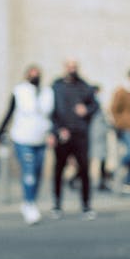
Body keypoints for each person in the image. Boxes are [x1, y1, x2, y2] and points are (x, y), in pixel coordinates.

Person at [0, 64, 54, 225]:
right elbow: (9, 112)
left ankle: (31, 200)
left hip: (40, 139)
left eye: (37, 74)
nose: (35, 76)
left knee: (37, 173)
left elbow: (52, 116)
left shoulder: (47, 92)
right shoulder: (19, 91)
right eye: (32, 73)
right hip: (23, 139)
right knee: (29, 173)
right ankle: (29, 204)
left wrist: (53, 133)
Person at [50, 59, 98, 220]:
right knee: (59, 170)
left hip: (80, 135)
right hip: (62, 135)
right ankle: (56, 205)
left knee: (84, 170)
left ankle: (86, 205)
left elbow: (95, 106)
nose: (72, 70)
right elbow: (51, 111)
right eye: (69, 67)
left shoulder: (85, 86)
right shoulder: (56, 87)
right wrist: (57, 130)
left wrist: (87, 110)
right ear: (64, 68)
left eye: (74, 67)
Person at [71, 85, 111, 193]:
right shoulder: (90, 107)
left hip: (101, 138)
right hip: (91, 138)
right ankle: (74, 179)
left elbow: (106, 120)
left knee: (102, 159)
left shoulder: (100, 106)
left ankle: (102, 182)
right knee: (86, 161)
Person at [110, 68, 130, 194]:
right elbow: (113, 109)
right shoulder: (122, 91)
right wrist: (119, 124)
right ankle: (114, 171)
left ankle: (129, 181)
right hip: (126, 128)